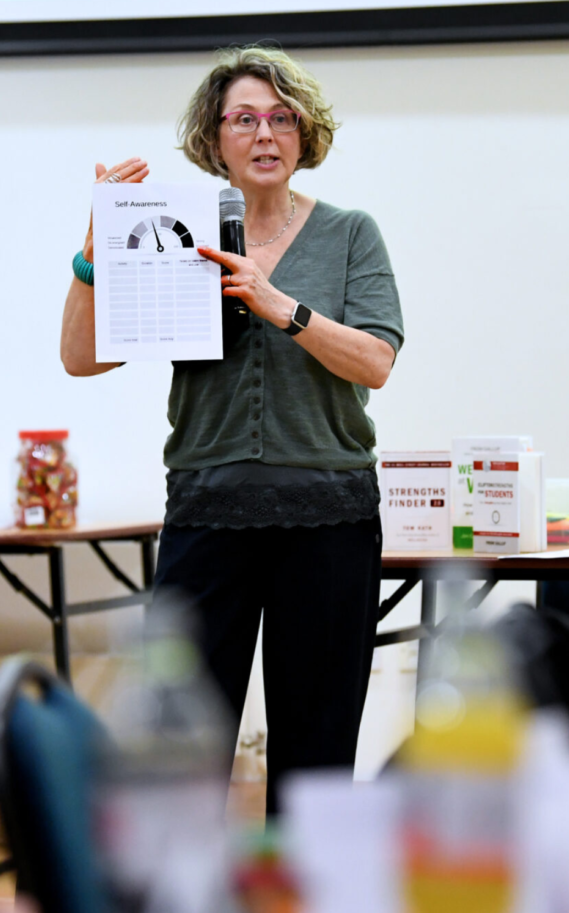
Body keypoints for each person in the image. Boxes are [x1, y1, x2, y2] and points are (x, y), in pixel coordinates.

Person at [61, 46, 404, 814]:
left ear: (305, 134)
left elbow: (376, 360)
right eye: (244, 118)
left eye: (283, 117)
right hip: (206, 513)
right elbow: (81, 357)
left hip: (328, 515)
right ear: (214, 138)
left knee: (315, 752)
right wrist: (92, 255)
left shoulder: (352, 234)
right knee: (180, 755)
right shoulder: (171, 228)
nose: (265, 133)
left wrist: (278, 303)